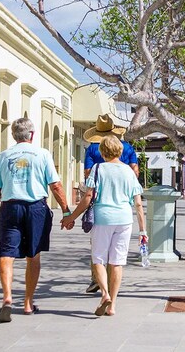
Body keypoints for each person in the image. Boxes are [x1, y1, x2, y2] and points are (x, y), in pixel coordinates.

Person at [0, 118, 71, 322]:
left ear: (14, 135)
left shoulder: (4, 156)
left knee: (6, 252)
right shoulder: (42, 154)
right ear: (31, 135)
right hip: (35, 208)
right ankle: (27, 302)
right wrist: (66, 211)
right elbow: (55, 185)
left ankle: (7, 297)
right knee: (33, 255)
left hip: (10, 206)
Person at [62, 135, 147, 316]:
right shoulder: (129, 172)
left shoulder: (98, 168)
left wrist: (72, 217)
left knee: (99, 259)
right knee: (117, 262)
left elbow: (88, 197)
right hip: (124, 219)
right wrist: (143, 230)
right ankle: (113, 305)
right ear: (120, 150)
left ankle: (105, 294)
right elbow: (138, 203)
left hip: (103, 218)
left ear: (102, 151)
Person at [80, 114, 139, 294]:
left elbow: (88, 172)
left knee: (97, 249)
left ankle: (96, 279)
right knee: (117, 256)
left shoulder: (92, 149)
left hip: (99, 203)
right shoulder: (126, 148)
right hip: (122, 206)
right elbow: (134, 170)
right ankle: (111, 291)